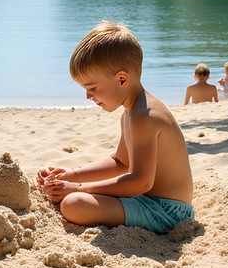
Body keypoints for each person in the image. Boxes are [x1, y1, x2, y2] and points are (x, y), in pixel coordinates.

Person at [36, 21, 194, 234]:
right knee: (75, 198)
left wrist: (80, 188)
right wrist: (72, 175)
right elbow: (120, 162)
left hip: (166, 212)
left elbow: (141, 182)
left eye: (92, 88)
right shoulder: (132, 112)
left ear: (121, 80)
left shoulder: (144, 117)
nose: (88, 96)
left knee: (73, 204)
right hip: (147, 200)